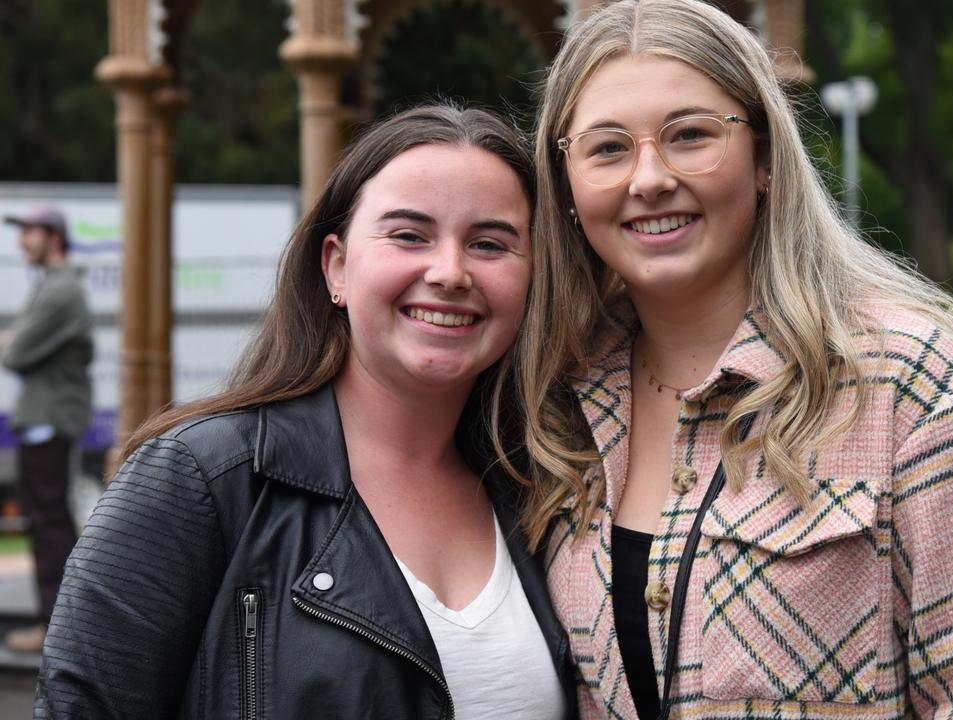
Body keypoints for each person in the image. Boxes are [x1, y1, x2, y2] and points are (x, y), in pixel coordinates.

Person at [509, 1, 953, 718]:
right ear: (565, 184)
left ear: (763, 157)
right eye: (607, 148)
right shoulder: (553, 401)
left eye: (690, 135)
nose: (650, 177)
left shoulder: (909, 385)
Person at [34, 104, 573, 719]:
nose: (450, 272)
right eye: (408, 235)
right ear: (336, 267)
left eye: (489, 244)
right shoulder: (199, 479)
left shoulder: (544, 494)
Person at [0, 206, 93, 654]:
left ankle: (58, 628)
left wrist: (12, 343)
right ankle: (69, 624)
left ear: (54, 237)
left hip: (48, 421)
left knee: (49, 524)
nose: (21, 241)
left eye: (30, 232)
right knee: (49, 521)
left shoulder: (59, 292)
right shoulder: (56, 287)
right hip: (46, 419)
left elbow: (16, 355)